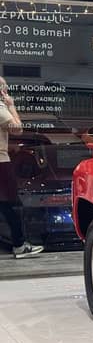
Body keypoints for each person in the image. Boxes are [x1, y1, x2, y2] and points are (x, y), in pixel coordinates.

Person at [0, 78, 44, 258]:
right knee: (10, 203)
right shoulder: (1, 107)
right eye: (5, 87)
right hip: (1, 162)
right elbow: (17, 128)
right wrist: (11, 105)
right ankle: (19, 245)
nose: (7, 90)